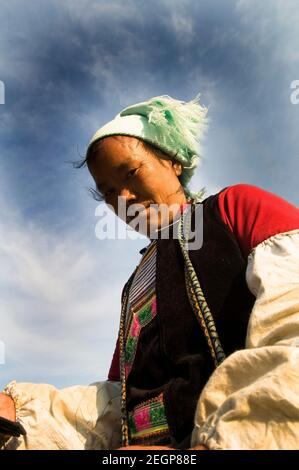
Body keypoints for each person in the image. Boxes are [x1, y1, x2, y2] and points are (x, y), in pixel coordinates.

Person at [1, 94, 299, 450]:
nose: (123, 198)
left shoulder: (236, 209)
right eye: (108, 193)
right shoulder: (134, 286)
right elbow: (117, 402)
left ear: (172, 161)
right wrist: (22, 411)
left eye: (131, 172)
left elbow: (292, 324)